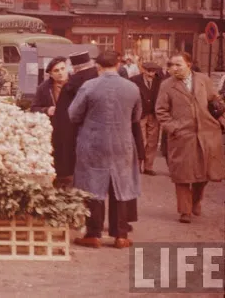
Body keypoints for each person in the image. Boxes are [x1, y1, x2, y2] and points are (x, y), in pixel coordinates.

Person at [68, 51, 142, 249]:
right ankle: (121, 235)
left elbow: (73, 114)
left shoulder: (89, 86)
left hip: (93, 142)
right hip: (122, 143)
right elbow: (136, 116)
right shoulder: (132, 87)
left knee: (93, 186)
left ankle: (93, 234)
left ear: (97, 66)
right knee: (121, 185)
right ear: (118, 64)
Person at [155, 52, 225, 223]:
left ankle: (196, 200)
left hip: (207, 133)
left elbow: (213, 98)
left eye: (178, 64)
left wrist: (218, 103)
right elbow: (161, 111)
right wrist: (174, 127)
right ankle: (184, 211)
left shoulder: (203, 80)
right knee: (182, 174)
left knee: (205, 173)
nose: (174, 68)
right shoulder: (167, 85)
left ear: (189, 64)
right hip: (182, 136)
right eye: (172, 65)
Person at [52, 51, 99, 188]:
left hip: (74, 133)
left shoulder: (70, 85)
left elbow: (62, 116)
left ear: (75, 67)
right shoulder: (99, 80)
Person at [130, 62, 162, 176]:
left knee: (152, 142)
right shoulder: (134, 80)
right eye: (149, 71)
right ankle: (137, 165)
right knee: (140, 140)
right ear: (143, 70)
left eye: (153, 71)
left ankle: (149, 167)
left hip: (153, 115)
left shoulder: (159, 80)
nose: (151, 74)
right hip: (140, 114)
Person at [31, 56, 68, 122]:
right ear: (51, 74)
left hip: (73, 125)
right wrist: (47, 110)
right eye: (56, 70)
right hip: (54, 125)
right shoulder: (43, 88)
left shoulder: (76, 84)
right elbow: (33, 109)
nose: (60, 72)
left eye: (63, 69)